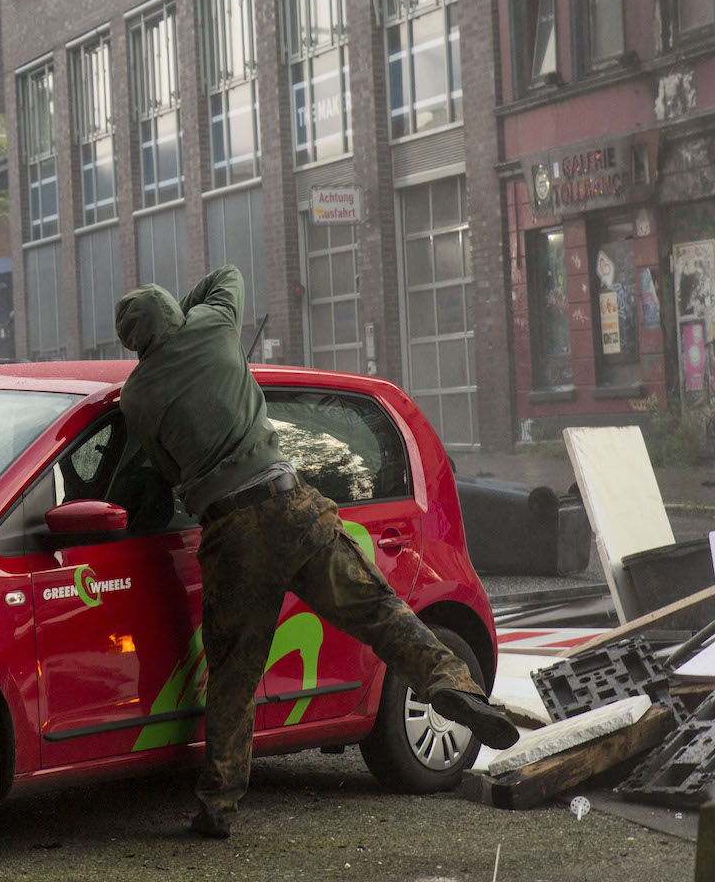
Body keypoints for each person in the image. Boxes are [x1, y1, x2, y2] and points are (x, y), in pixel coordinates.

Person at [112, 265, 519, 839]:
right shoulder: (213, 327)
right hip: (291, 507)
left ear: (134, 343)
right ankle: (453, 686)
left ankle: (218, 807)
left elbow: (162, 473)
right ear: (176, 317)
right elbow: (228, 274)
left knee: (234, 675)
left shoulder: (138, 396)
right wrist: (188, 316)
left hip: (230, 533)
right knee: (381, 612)